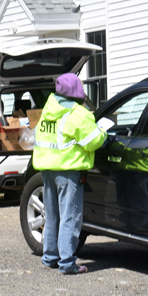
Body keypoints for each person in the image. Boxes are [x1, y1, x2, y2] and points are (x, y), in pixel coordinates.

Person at [33, 73, 107, 275]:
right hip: (68, 170)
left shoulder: (48, 110)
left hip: (47, 169)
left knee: (53, 215)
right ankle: (67, 262)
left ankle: (50, 257)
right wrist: (103, 132)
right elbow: (94, 140)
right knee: (70, 216)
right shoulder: (77, 113)